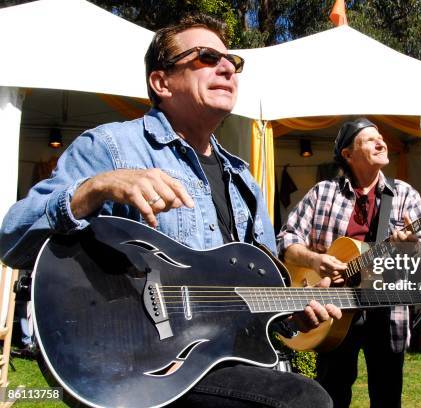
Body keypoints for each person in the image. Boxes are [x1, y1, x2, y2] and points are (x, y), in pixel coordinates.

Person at [0, 14, 340, 408]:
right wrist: (91, 189)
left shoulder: (243, 178)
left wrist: (293, 313)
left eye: (233, 61)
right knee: (305, 400)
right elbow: (12, 238)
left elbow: (256, 292)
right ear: (161, 82)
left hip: (220, 361)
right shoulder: (111, 147)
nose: (227, 66)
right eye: (206, 57)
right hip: (134, 363)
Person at [277, 118, 421, 408]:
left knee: (387, 395)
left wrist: (412, 248)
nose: (381, 142)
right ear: (348, 154)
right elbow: (286, 240)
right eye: (370, 139)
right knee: (332, 392)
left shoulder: (405, 195)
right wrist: (315, 260)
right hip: (334, 309)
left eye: (381, 137)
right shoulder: (324, 193)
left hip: (386, 309)